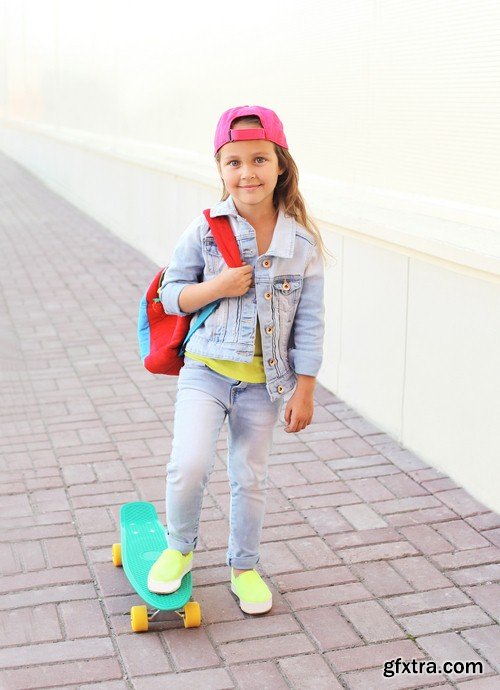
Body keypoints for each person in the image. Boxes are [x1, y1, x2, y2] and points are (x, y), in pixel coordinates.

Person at [147, 105, 327, 615]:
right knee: (189, 464)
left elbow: (310, 322)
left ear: (280, 166)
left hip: (265, 386)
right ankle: (179, 550)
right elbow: (170, 295)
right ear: (220, 169)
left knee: (250, 476)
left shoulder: (302, 244)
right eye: (233, 162)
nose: (246, 172)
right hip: (207, 372)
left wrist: (305, 389)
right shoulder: (205, 230)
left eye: (258, 159)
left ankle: (243, 566)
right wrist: (216, 287)